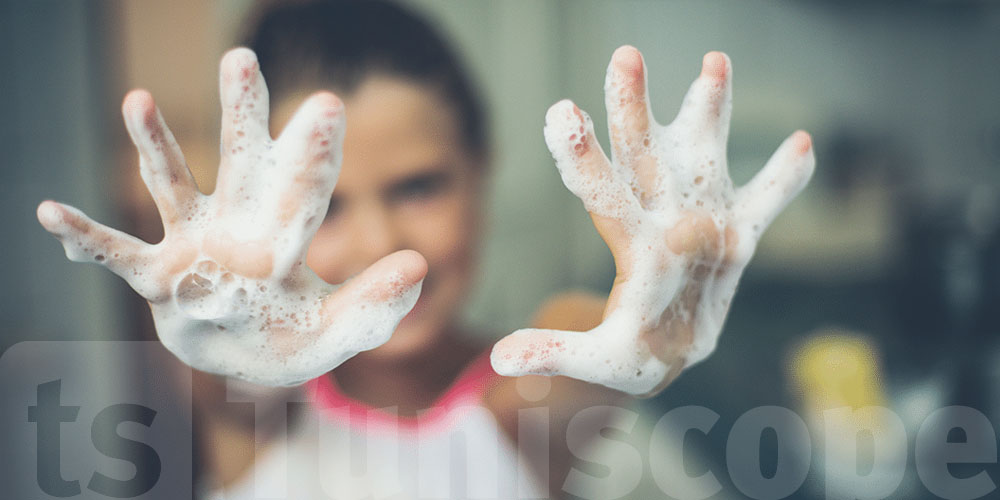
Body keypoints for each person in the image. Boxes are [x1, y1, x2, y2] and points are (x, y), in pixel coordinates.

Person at [35, 1, 814, 498]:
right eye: (327, 207)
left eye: (417, 187)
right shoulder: (256, 409)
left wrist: (635, 330)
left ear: (482, 170)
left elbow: (577, 353)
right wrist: (217, 329)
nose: (381, 244)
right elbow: (225, 390)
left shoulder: (515, 408)